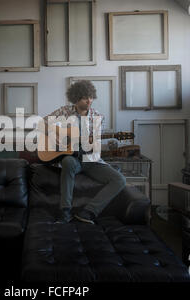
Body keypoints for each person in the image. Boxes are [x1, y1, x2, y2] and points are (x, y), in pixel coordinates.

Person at [41, 80, 126, 225]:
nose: (89, 100)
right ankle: (65, 212)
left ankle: (88, 212)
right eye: (85, 97)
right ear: (76, 97)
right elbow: (42, 122)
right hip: (72, 159)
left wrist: (91, 142)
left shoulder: (97, 117)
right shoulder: (64, 111)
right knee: (67, 161)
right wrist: (53, 133)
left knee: (120, 180)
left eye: (91, 97)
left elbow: (94, 148)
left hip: (90, 160)